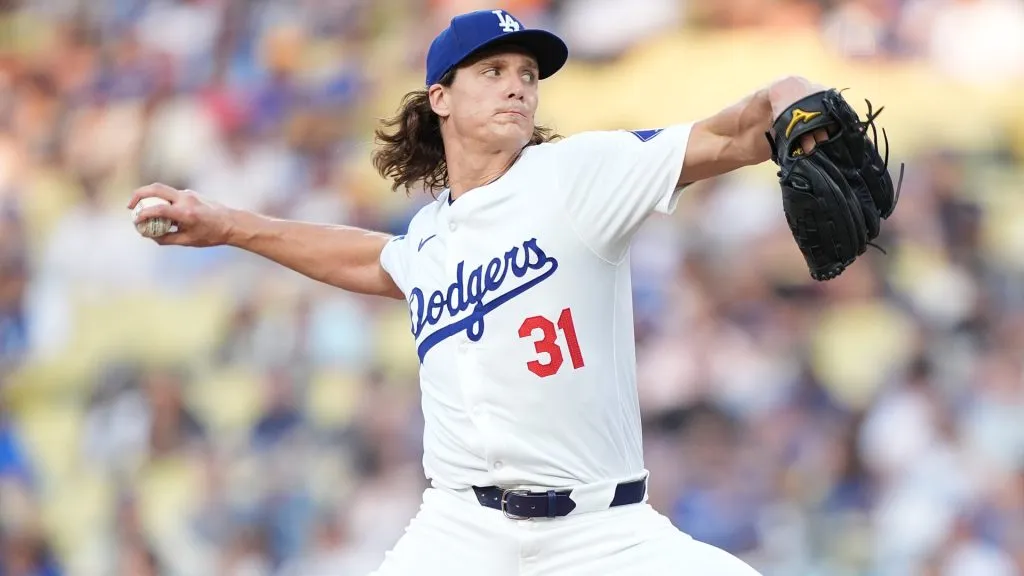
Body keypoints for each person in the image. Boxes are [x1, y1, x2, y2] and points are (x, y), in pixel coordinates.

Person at [128, 8, 831, 575]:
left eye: (528, 73)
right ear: (440, 97)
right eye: (492, 70)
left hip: (603, 535)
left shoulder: (577, 176)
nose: (518, 85)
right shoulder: (430, 238)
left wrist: (784, 98)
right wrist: (227, 224)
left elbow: (724, 136)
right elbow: (369, 259)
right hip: (461, 530)